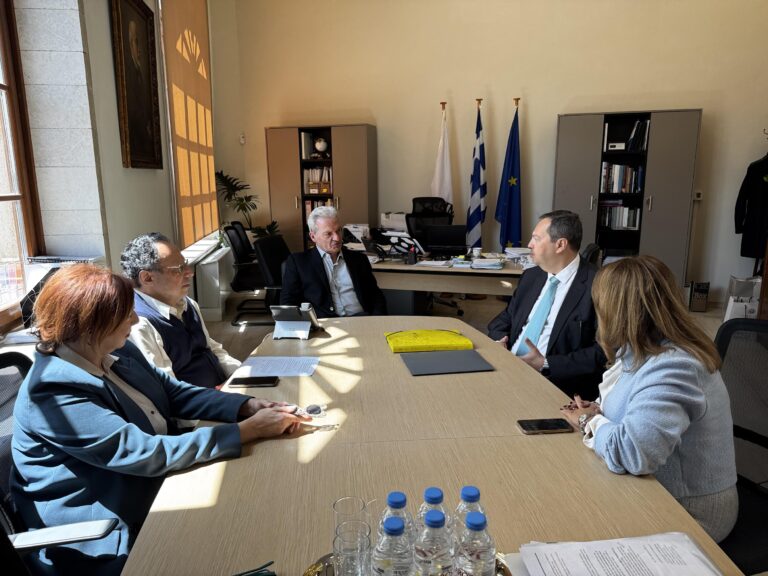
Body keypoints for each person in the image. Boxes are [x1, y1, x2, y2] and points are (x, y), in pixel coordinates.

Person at [10, 264, 309, 575]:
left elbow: (174, 392)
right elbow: (142, 452)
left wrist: (247, 405)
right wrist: (247, 431)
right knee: (244, 542)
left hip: (156, 488)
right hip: (106, 536)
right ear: (91, 325)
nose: (135, 319)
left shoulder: (118, 351)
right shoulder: (52, 390)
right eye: (125, 313)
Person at [560, 256, 737, 542]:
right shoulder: (644, 348)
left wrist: (588, 421)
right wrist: (600, 411)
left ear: (616, 311)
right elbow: (638, 406)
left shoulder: (676, 365)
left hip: (688, 511)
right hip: (648, 488)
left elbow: (634, 453)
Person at [487, 210, 605, 399]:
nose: (529, 244)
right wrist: (499, 341)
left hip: (556, 384)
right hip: (508, 368)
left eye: (536, 238)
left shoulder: (599, 285)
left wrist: (546, 363)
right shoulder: (531, 276)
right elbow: (505, 319)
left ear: (560, 245)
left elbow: (604, 351)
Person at [121, 232, 239, 389]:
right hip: (201, 402)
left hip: (225, 389)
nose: (190, 272)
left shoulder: (188, 304)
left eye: (185, 264)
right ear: (147, 278)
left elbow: (210, 348)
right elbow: (168, 388)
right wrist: (222, 396)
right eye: (178, 269)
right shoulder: (139, 324)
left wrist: (241, 373)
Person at [281, 206, 387, 318]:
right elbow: (288, 302)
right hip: (325, 324)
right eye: (328, 234)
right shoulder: (299, 262)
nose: (337, 238)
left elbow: (376, 296)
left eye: (338, 231)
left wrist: (376, 320)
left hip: (361, 319)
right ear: (313, 236)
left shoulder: (359, 259)